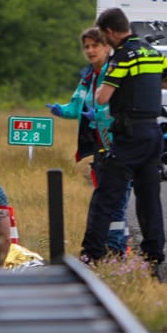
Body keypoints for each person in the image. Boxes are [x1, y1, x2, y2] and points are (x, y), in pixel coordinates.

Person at [81, 7, 167, 266]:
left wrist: (122, 83)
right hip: (153, 134)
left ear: (109, 32)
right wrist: (146, 83)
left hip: (129, 135)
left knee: (106, 194)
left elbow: (102, 97)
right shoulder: (152, 53)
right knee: (149, 198)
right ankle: (153, 256)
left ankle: (92, 254)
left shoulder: (123, 57)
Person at [47, 27, 127, 255]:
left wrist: (100, 115)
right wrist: (60, 110)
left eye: (95, 46)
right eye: (87, 47)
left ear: (106, 47)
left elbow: (119, 107)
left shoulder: (114, 72)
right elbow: (76, 107)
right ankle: (110, 248)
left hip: (119, 144)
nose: (90, 51)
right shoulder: (88, 77)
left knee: (117, 202)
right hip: (100, 147)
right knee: (104, 199)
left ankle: (117, 249)